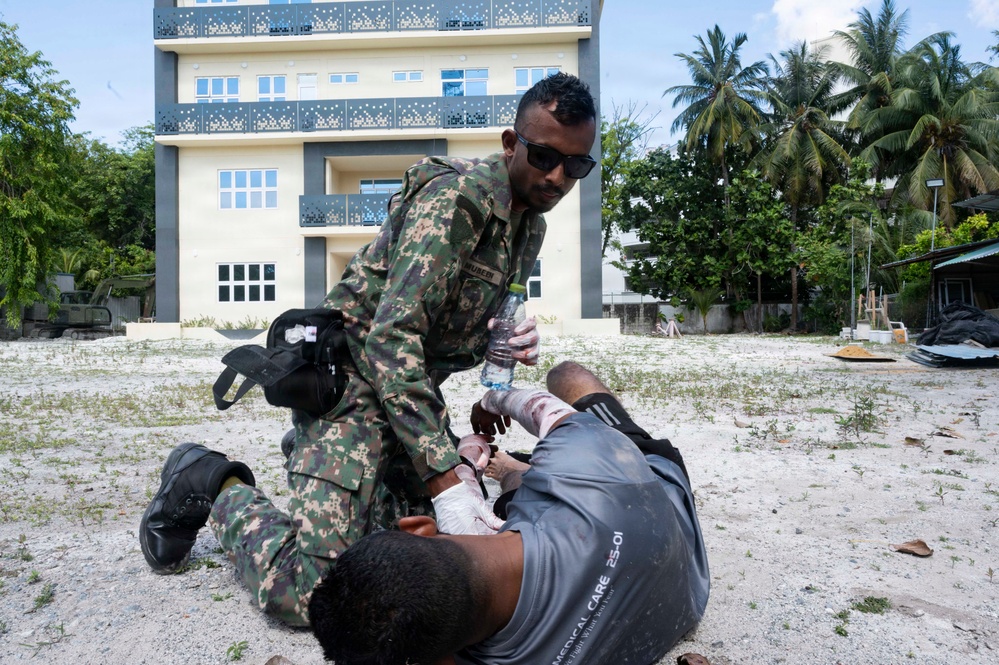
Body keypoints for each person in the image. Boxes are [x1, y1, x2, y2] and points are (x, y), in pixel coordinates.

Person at [138, 73, 598, 626]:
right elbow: (390, 336)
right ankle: (213, 480)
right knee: (318, 596)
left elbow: (451, 322)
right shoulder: (456, 200)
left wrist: (498, 354)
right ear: (510, 143)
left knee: (417, 559)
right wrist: (444, 479)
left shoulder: (529, 226)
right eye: (544, 156)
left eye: (575, 165)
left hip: (406, 395)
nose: (556, 177)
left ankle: (325, 464)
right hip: (352, 385)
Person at [308, 361, 710, 665]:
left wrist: (469, 466)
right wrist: (492, 401)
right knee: (567, 375)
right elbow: (548, 410)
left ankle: (514, 471)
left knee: (515, 499)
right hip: (650, 499)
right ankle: (516, 470)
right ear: (419, 527)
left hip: (680, 598)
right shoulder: (591, 469)